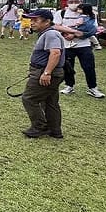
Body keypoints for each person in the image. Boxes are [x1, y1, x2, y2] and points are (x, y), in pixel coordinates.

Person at [20, 10, 66, 138]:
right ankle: (55, 130)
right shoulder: (47, 33)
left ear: (47, 21)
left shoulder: (50, 34)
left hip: (45, 72)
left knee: (29, 98)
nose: (32, 23)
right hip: (49, 72)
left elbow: (55, 53)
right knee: (50, 101)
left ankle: (40, 126)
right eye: (31, 20)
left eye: (36, 20)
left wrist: (47, 73)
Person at [54, 0, 105, 98]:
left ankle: (92, 87)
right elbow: (56, 26)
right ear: (67, 2)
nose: (74, 4)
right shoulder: (61, 13)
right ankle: (69, 85)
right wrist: (69, 33)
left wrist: (76, 34)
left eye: (76, 2)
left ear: (81, 2)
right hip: (67, 45)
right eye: (71, 2)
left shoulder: (90, 13)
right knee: (68, 67)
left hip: (84, 45)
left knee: (89, 67)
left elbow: (93, 29)